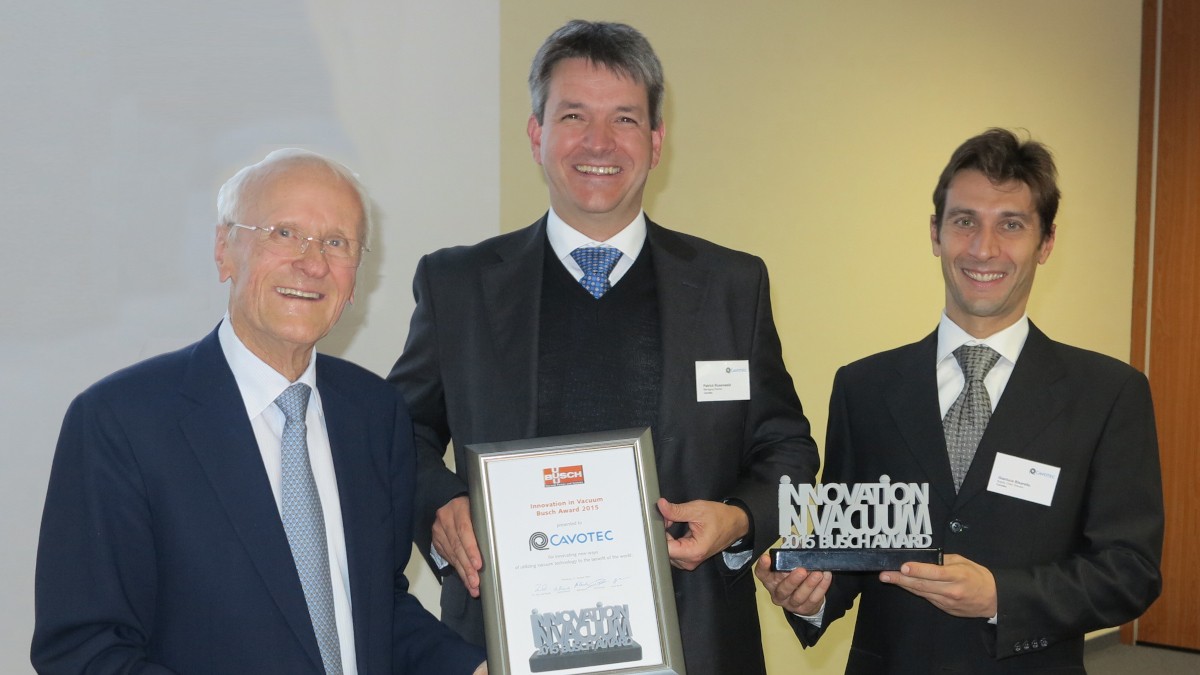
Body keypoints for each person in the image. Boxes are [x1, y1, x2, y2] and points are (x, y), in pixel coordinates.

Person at [387, 19, 819, 675]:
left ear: (656, 141)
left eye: (624, 119)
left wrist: (737, 519)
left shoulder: (732, 285)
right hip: (505, 647)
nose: (599, 142)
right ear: (536, 134)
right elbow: (400, 433)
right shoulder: (458, 285)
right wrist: (441, 505)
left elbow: (787, 449)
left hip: (697, 646)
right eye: (573, 116)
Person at [32, 149, 487, 675]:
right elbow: (84, 649)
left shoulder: (373, 414)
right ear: (224, 250)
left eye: (336, 242)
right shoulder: (121, 422)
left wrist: (472, 669)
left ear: (354, 276)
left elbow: (374, 611)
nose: (312, 263)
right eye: (284, 233)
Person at [755, 128, 1163, 673]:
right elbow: (850, 545)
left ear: (1046, 243)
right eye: (965, 221)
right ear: (936, 233)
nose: (983, 248)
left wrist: (1001, 596)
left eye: (1011, 225)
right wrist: (808, 594)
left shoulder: (1108, 394)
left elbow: (1130, 571)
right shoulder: (865, 387)